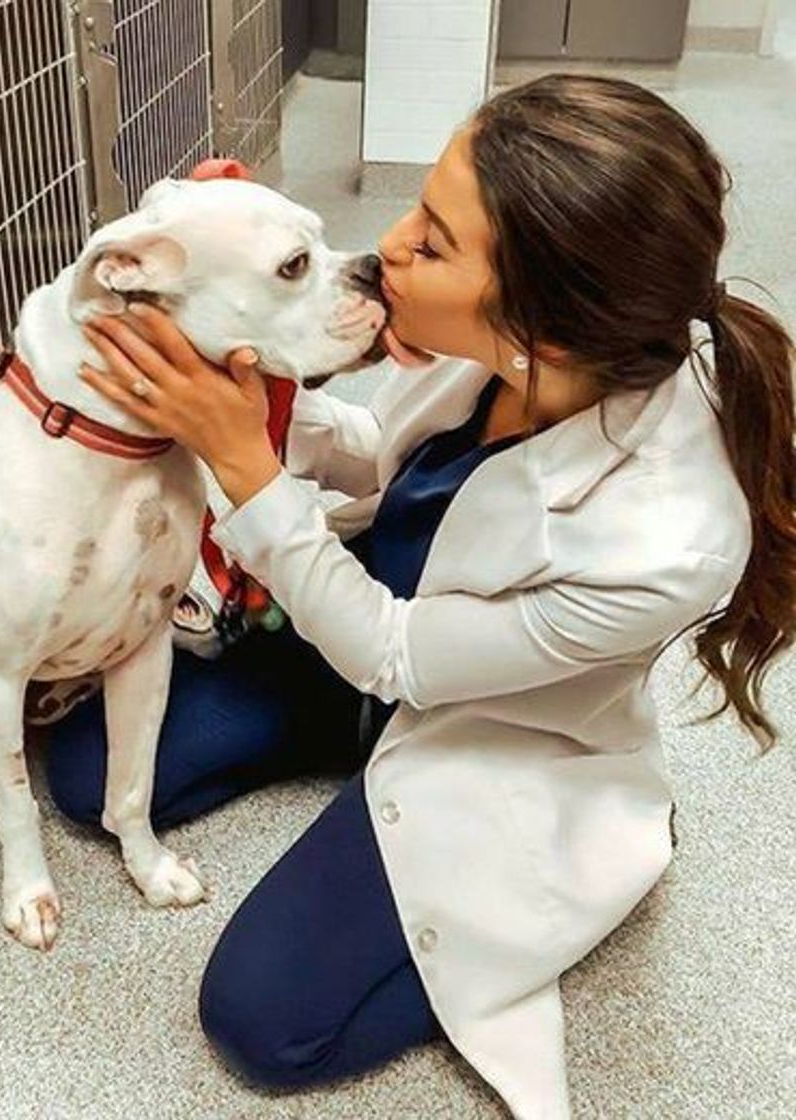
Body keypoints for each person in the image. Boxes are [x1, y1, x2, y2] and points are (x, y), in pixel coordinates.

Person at [40, 75, 795, 1118]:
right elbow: (373, 457)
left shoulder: (668, 540)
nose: (389, 246)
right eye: (419, 207)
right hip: (359, 635)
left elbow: (395, 654)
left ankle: (619, 846)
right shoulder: (506, 354)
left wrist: (242, 465)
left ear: (546, 329)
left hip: (477, 720)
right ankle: (345, 740)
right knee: (87, 774)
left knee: (262, 1019)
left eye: (433, 242)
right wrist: (254, 391)